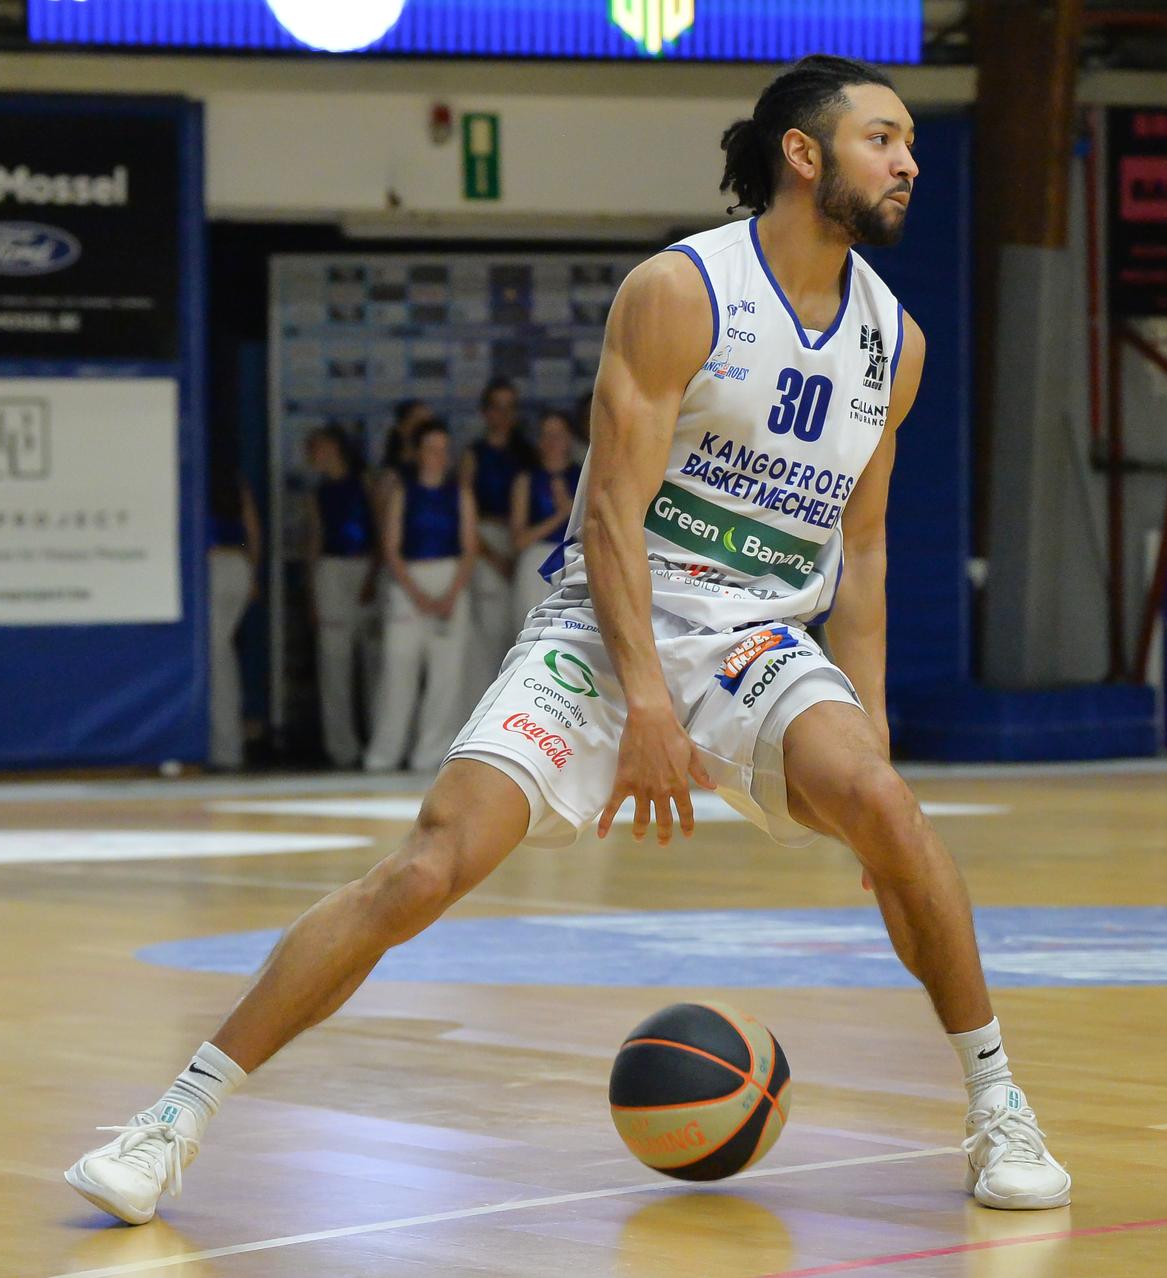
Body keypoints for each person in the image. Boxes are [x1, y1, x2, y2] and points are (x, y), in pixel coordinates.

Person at [64, 53, 1069, 1227]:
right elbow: (607, 515)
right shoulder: (683, 290)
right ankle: (172, 1118)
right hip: (609, 626)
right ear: (805, 155)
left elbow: (871, 548)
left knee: (891, 813)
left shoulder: (896, 343)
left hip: (755, 635)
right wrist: (644, 699)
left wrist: (873, 732)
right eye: (883, 140)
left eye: (908, 144)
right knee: (429, 866)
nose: (908, 162)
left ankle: (998, 1106)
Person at [361, 419, 477, 773]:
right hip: (408, 582)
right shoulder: (403, 492)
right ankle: (384, 755)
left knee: (446, 677)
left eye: (444, 450)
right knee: (398, 671)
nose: (438, 457)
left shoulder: (460, 493)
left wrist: (449, 596)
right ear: (418, 453)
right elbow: (391, 547)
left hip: (450, 581)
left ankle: (431, 754)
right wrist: (419, 595)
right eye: (431, 449)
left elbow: (470, 548)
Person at [304, 425, 382, 769]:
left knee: (373, 661)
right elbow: (315, 540)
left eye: (317, 447)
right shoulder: (318, 492)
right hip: (331, 570)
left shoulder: (364, 481)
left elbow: (379, 527)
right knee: (334, 662)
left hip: (364, 565)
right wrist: (312, 592)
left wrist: (374, 573)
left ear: (334, 447)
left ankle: (377, 740)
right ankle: (342, 748)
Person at [461, 377, 532, 688]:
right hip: (484, 542)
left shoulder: (527, 453)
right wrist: (491, 555)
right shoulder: (473, 455)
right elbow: (464, 512)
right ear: (485, 412)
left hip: (522, 543)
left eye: (510, 407)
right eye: (497, 407)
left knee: (519, 629)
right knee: (487, 633)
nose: (503, 415)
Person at [207, 467, 262, 772]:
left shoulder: (194, 478)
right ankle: (226, 747)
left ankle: (225, 749)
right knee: (222, 651)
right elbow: (253, 531)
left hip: (213, 565)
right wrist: (253, 571)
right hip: (238, 565)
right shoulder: (235, 481)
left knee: (218, 655)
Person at [508, 409, 582, 619]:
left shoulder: (584, 477)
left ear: (569, 438)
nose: (552, 442)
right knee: (531, 622)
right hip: (537, 562)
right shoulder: (526, 480)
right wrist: (561, 514)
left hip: (576, 558)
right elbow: (519, 541)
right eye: (546, 435)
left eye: (558, 435)